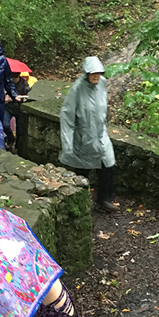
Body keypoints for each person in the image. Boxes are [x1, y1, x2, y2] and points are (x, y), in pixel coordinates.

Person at [60, 56, 118, 213]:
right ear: (86, 73)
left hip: (100, 136)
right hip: (83, 137)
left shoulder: (102, 84)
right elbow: (67, 117)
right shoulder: (77, 89)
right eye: (93, 73)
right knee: (82, 173)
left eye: (99, 73)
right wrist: (67, 143)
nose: (96, 76)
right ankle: (77, 205)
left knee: (108, 166)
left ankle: (104, 199)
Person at [3, 69, 32, 150]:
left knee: (20, 130)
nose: (13, 79)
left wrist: (13, 98)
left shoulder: (24, 85)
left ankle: (18, 147)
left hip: (19, 109)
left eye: (15, 77)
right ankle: (10, 138)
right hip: (8, 108)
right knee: (5, 124)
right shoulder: (7, 82)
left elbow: (27, 98)